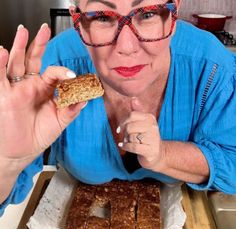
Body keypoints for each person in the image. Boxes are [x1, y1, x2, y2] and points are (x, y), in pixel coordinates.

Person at [1, 0, 236, 216]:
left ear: (174, 14)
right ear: (79, 23)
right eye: (102, 17)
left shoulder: (212, 67)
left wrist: (164, 156)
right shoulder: (54, 67)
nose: (126, 47)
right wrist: (7, 162)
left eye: (148, 13)